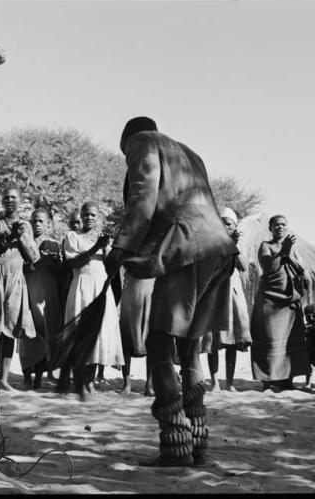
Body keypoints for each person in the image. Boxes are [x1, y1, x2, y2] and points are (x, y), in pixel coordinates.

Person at [104, 117, 238, 467]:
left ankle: (174, 446)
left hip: (187, 247)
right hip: (218, 249)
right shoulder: (190, 153)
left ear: (126, 139)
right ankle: (197, 441)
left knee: (160, 345)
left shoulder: (141, 141)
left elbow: (143, 198)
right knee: (191, 348)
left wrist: (120, 248)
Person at [62, 201, 124, 395]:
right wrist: (96, 246)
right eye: (86, 214)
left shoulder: (103, 239)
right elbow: (74, 263)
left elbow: (112, 270)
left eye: (93, 215)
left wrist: (107, 251)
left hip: (101, 288)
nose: (89, 218)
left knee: (98, 335)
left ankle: (90, 381)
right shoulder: (72, 236)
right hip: (82, 286)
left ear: (99, 219)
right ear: (81, 215)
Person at [0, 187, 39, 392]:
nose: (9, 200)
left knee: (10, 331)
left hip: (16, 279)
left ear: (20, 201)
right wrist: (8, 238)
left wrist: (20, 237)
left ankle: (3, 379)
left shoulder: (25, 225)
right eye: (6, 197)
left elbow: (32, 258)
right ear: (1, 200)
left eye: (13, 197)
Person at [250, 215, 310, 392]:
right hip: (270, 300)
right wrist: (283, 251)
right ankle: (267, 381)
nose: (280, 227)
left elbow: (301, 269)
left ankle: (288, 381)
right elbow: (269, 268)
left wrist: (289, 253)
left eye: (283, 225)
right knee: (269, 339)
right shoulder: (265, 246)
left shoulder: (293, 247)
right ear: (270, 228)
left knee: (290, 340)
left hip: (290, 300)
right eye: (276, 225)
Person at [201, 207, 252, 392]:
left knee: (232, 340)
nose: (225, 226)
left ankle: (229, 382)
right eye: (222, 223)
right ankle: (214, 382)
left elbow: (244, 267)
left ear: (234, 226)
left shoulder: (239, 245)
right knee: (213, 340)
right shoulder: (210, 244)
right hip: (215, 292)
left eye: (228, 224)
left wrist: (234, 247)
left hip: (233, 293)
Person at [19, 208, 64, 389]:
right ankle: (27, 375)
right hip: (28, 290)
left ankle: (39, 376)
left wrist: (54, 262)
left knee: (46, 332)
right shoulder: (23, 242)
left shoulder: (54, 243)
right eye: (34, 220)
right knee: (29, 332)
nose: (37, 224)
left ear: (48, 224)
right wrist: (36, 264)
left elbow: (61, 271)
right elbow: (20, 267)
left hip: (48, 293)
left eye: (41, 221)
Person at [119, 269, 155, 395]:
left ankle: (149, 384)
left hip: (151, 287)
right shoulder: (128, 248)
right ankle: (127, 383)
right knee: (126, 336)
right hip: (131, 286)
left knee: (151, 338)